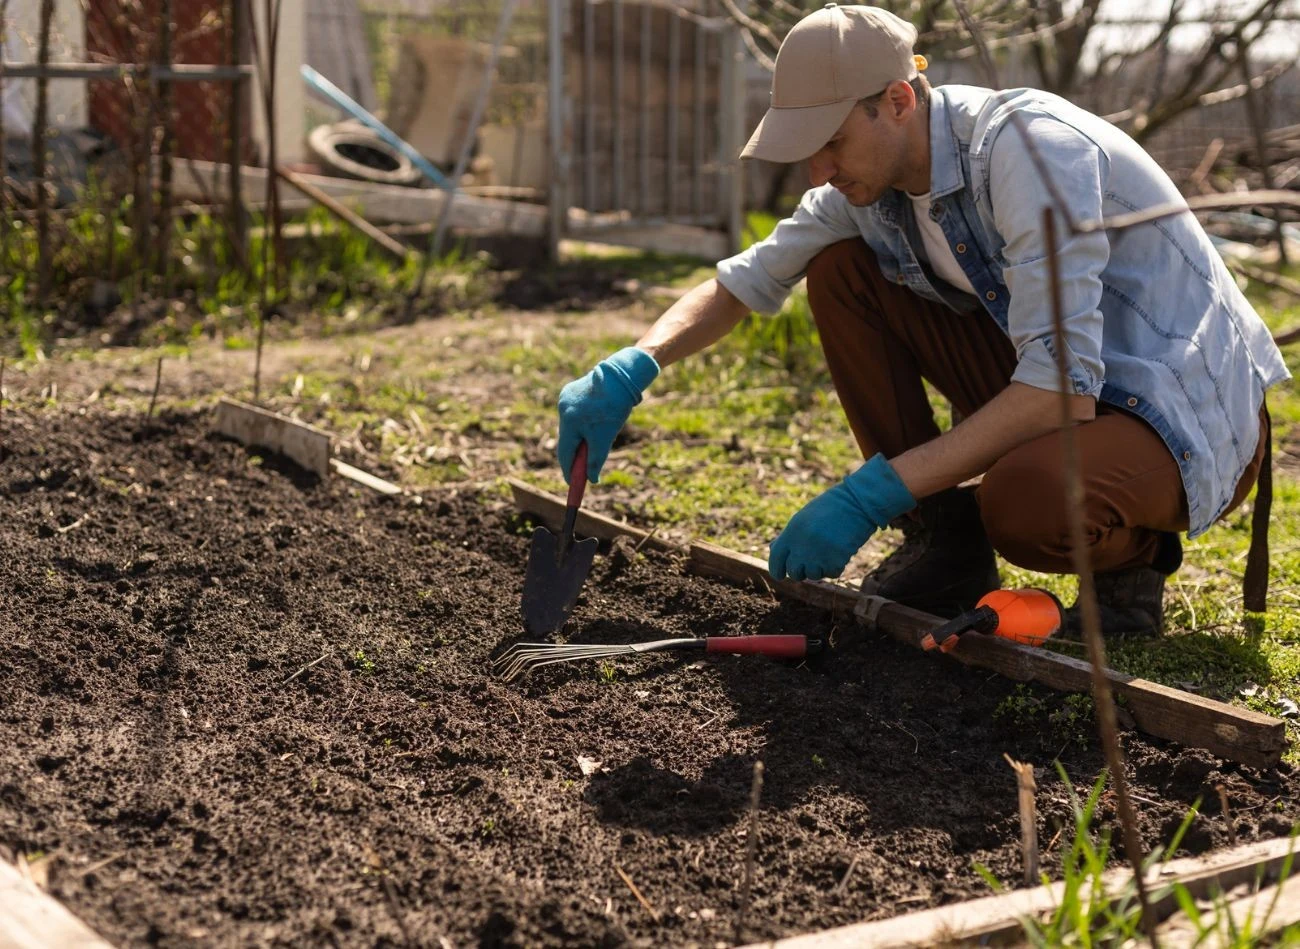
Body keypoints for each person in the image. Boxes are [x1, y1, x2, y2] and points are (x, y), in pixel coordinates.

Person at [554, 3, 1289, 634]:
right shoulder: (868, 186)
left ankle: (1131, 569)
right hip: (1079, 393)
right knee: (839, 272)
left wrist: (870, 492)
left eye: (831, 142)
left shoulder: (1029, 155)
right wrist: (633, 365)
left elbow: (1056, 391)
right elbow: (746, 282)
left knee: (1024, 502)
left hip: (1186, 420)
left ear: (899, 100)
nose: (819, 171)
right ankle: (946, 543)